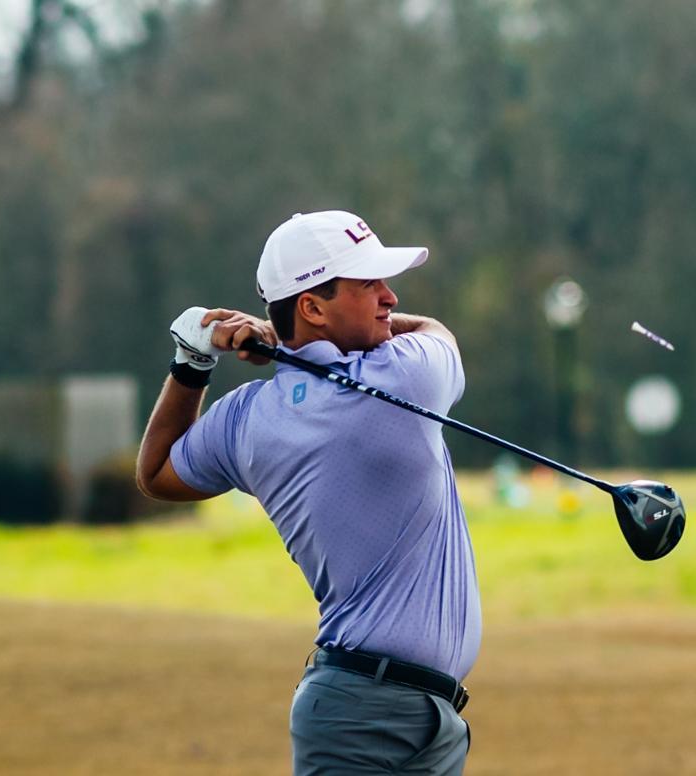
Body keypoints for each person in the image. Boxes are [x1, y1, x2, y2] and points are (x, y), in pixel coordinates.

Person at [136, 210, 479, 775]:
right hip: (364, 716)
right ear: (313, 307)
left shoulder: (248, 418)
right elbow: (436, 330)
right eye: (369, 284)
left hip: (405, 715)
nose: (390, 298)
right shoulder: (408, 376)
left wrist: (193, 361)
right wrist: (286, 342)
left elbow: (156, 473)